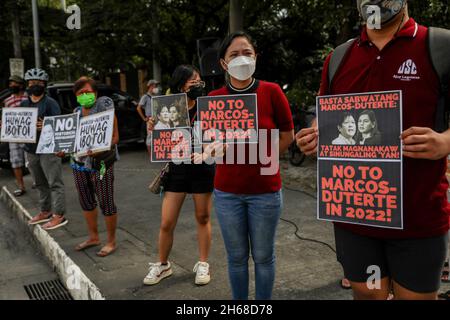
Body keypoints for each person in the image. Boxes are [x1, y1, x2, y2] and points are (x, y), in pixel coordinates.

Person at [297, 0, 450, 300]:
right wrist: (314, 136)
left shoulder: (440, 45)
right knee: (367, 297)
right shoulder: (339, 57)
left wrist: (445, 142)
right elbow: (325, 116)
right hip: (355, 217)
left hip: (419, 218)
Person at [208, 32, 294, 300]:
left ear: (256, 56)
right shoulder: (215, 98)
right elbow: (206, 145)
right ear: (223, 63)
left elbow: (287, 135)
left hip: (266, 192)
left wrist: (267, 159)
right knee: (235, 258)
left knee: (263, 256)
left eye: (247, 52)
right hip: (226, 194)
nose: (242, 58)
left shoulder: (272, 91)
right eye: (234, 54)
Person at [143, 65, 215, 286]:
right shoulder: (166, 109)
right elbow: (154, 150)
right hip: (177, 168)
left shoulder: (208, 107)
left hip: (203, 168)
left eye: (199, 81)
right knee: (166, 222)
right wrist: (152, 132)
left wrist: (204, 154)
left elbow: (219, 140)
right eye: (193, 81)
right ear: (180, 84)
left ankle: (203, 263)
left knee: (203, 217)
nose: (198, 85)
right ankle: (163, 265)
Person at [67, 76, 120, 257]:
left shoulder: (104, 106)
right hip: (79, 164)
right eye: (80, 93)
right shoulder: (75, 113)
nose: (84, 95)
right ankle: (93, 237)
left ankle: (111, 241)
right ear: (76, 96)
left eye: (88, 92)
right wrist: (63, 149)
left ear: (95, 93)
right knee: (86, 200)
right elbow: (71, 141)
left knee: (106, 201)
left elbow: (114, 138)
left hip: (102, 163)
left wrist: (100, 149)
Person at [23, 68, 67, 230]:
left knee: (54, 182)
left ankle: (59, 214)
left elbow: (61, 127)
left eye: (39, 83)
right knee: (39, 183)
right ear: (28, 84)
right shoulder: (24, 103)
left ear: (44, 85)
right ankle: (45, 211)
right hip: (31, 149)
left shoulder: (50, 103)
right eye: (32, 83)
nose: (35, 85)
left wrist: (46, 126)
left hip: (48, 149)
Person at [3, 75, 28, 196]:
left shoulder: (28, 98)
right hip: (13, 136)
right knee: (15, 161)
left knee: (31, 161)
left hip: (28, 135)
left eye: (14, 83)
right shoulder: (7, 101)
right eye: (10, 83)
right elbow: (6, 117)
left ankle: (37, 183)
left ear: (21, 85)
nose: (12, 86)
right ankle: (21, 186)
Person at [137, 79, 160, 156]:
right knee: (150, 137)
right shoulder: (145, 97)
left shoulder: (155, 96)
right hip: (150, 119)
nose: (156, 87)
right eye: (155, 85)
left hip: (157, 118)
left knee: (156, 136)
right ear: (151, 86)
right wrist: (144, 118)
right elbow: (138, 108)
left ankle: (156, 154)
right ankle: (151, 155)